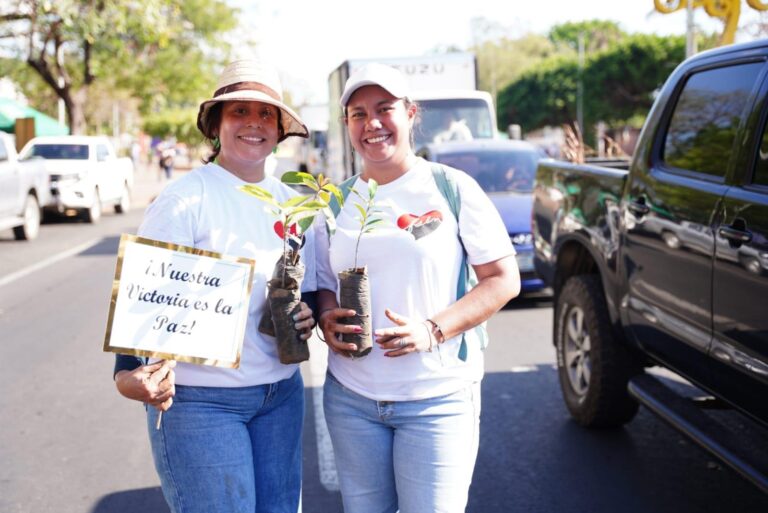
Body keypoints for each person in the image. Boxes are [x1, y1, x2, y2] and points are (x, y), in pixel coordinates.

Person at [113, 58, 316, 513]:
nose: (254, 123)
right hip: (200, 402)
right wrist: (127, 374)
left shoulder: (292, 206)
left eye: (266, 114)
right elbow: (144, 299)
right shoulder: (185, 200)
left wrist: (309, 316)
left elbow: (309, 289)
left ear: (280, 128)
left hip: (280, 395)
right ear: (216, 123)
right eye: (239, 111)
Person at [315, 63, 521, 513]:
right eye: (358, 113)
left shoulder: (450, 188)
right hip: (351, 399)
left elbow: (504, 279)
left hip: (438, 399)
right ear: (346, 124)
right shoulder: (334, 203)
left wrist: (433, 329)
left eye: (385, 109)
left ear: (410, 114)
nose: (372, 123)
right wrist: (327, 316)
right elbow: (323, 285)